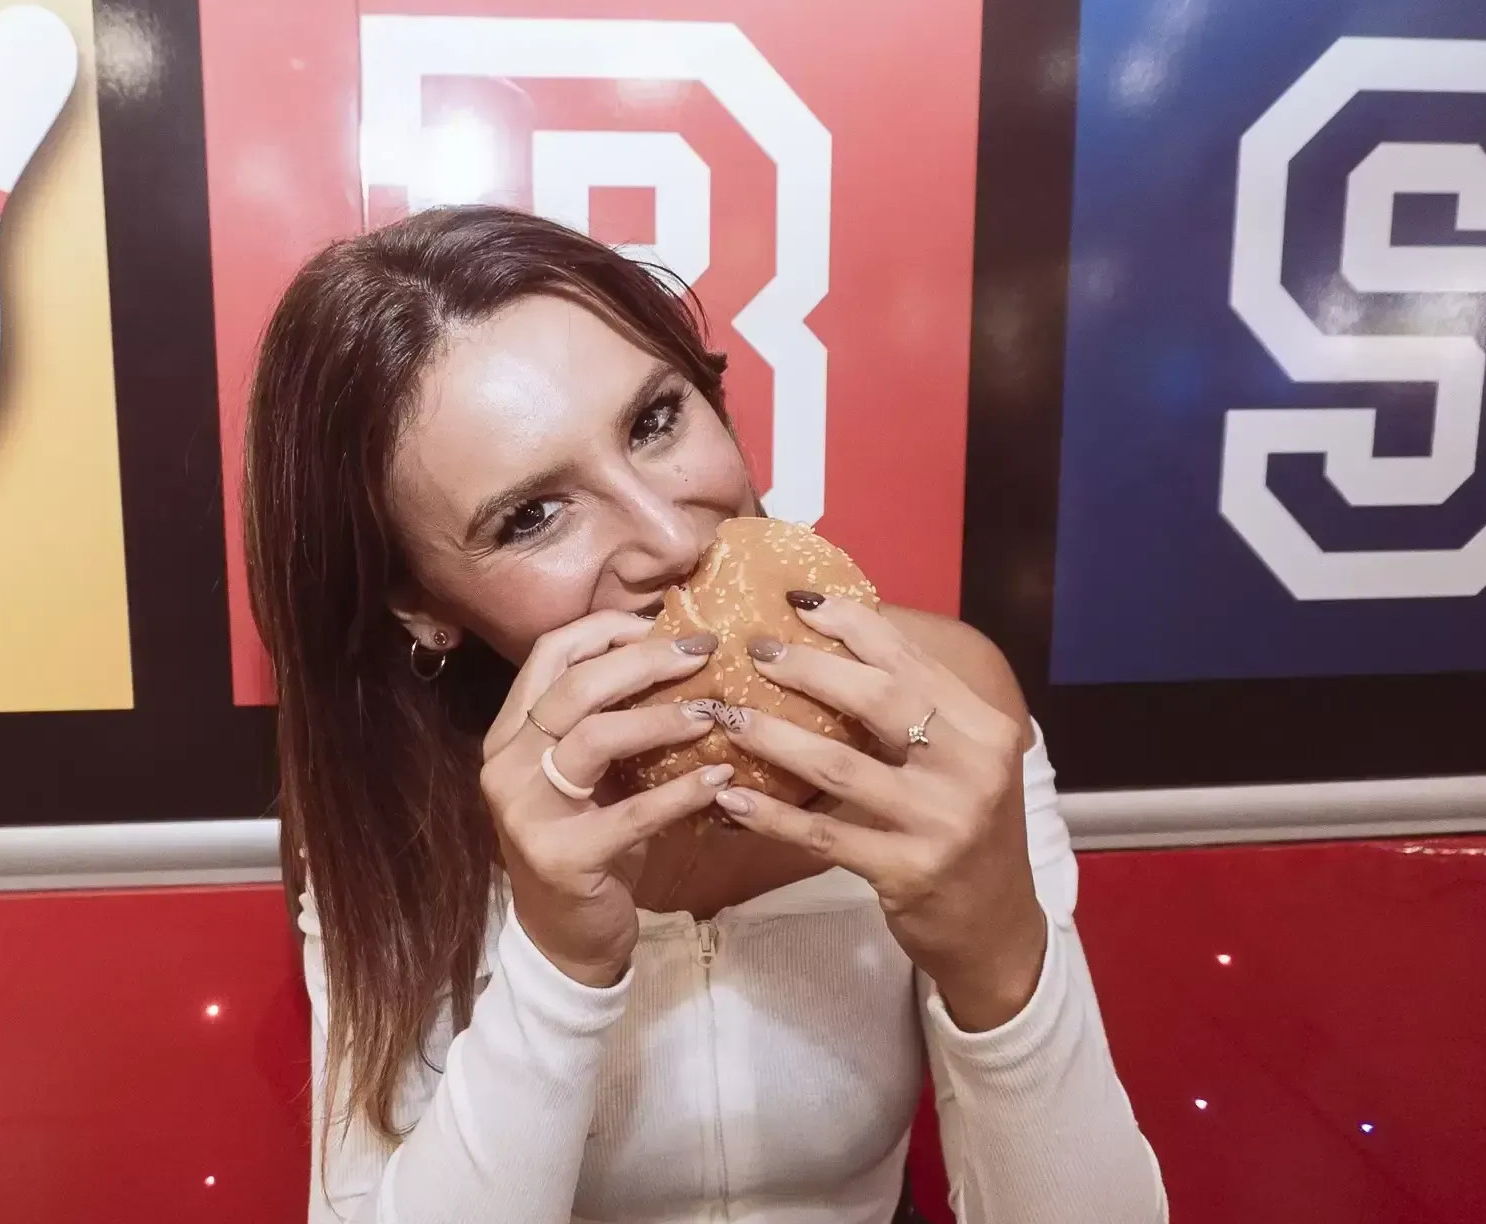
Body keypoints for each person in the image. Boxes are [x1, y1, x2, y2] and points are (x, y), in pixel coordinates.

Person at [243, 205, 1167, 1224]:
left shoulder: (937, 705)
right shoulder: (395, 805)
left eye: (654, 420)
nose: (668, 536)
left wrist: (1000, 962)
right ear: (421, 604)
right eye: (530, 515)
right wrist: (556, 964)